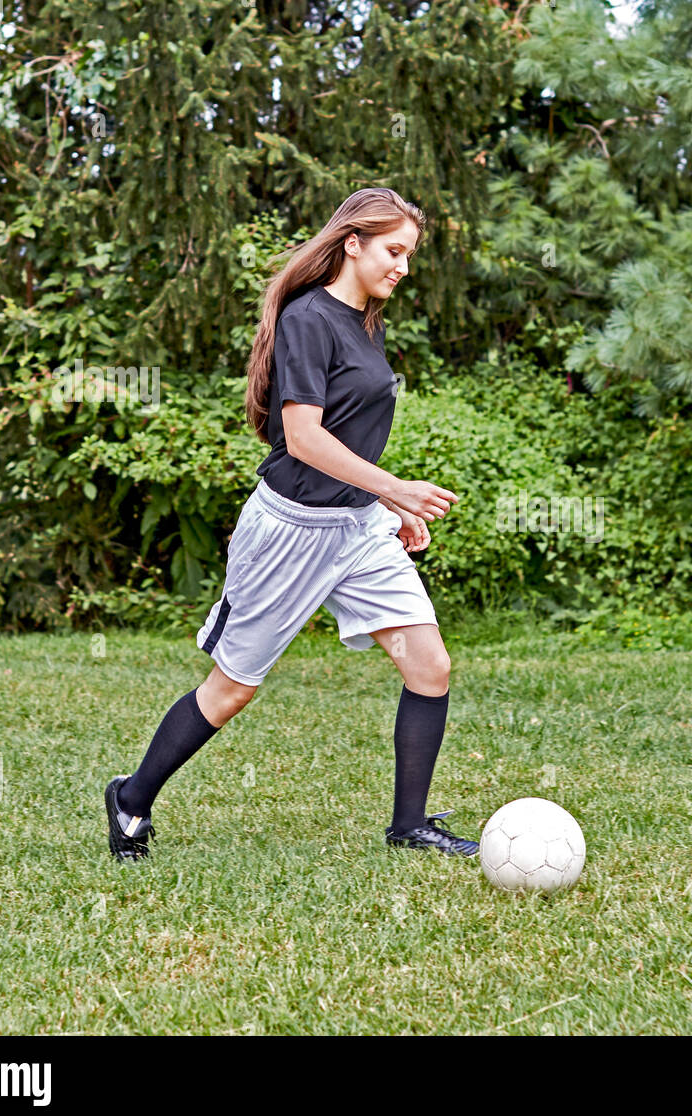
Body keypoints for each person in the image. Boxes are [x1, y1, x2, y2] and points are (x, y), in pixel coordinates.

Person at [104, 188, 477, 861]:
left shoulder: (368, 319)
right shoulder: (310, 319)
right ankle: (131, 799)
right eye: (395, 251)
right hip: (290, 530)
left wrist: (384, 504)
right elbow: (303, 438)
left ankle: (409, 825)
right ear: (353, 243)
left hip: (357, 527)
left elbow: (351, 430)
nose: (404, 267)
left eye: (410, 255)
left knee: (429, 664)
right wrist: (395, 487)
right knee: (232, 690)